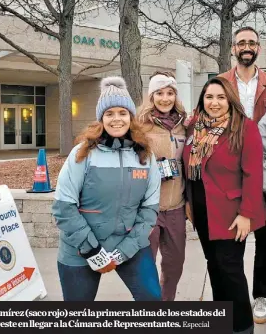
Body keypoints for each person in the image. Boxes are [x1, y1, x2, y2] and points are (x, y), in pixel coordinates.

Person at [52, 76, 162, 301]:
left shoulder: (145, 156)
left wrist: (125, 251)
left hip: (128, 244)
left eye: (122, 113)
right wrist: (92, 251)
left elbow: (149, 210)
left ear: (131, 117)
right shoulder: (83, 154)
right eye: (109, 114)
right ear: (101, 118)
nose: (116, 119)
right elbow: (64, 207)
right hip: (80, 250)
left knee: (152, 299)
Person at [183, 77, 265, 334]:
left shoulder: (244, 128)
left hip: (230, 213)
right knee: (213, 264)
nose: (215, 103)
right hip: (202, 209)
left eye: (221, 97)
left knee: (229, 269)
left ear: (230, 99)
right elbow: (191, 169)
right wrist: (188, 201)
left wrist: (246, 214)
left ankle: (242, 327)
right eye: (209, 97)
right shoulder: (196, 127)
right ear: (202, 100)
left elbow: (253, 174)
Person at [220, 26, 266, 324]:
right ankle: (233, 298)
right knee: (231, 239)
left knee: (265, 238)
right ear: (233, 49)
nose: (246, 47)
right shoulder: (221, 82)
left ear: (258, 48)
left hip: (264, 168)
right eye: (241, 43)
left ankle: (261, 295)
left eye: (252, 42)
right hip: (231, 172)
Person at [138, 71, 187, 301]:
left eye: (170, 93)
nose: (165, 98)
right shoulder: (140, 126)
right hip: (149, 208)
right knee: (145, 266)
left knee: (174, 265)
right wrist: (152, 169)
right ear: (151, 96)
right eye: (159, 93)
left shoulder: (183, 125)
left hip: (176, 206)